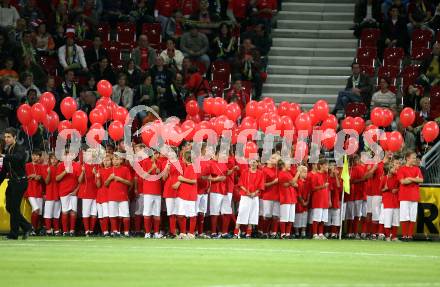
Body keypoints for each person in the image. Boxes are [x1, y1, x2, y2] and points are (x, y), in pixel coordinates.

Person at [0, 127, 32, 240]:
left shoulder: (20, 148)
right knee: (10, 207)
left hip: (21, 182)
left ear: (14, 137)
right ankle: (27, 226)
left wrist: (4, 156)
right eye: (5, 137)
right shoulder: (7, 150)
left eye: (9, 137)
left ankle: (14, 234)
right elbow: (4, 171)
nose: (6, 139)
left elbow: (18, 158)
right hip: (12, 182)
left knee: (14, 207)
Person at [234, 159, 265, 239]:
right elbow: (240, 183)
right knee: (241, 213)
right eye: (251, 162)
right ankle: (236, 233)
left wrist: (254, 193)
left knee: (252, 214)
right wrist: (247, 192)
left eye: (254, 162)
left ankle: (248, 234)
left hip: (254, 197)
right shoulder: (245, 171)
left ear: (257, 163)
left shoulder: (260, 173)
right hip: (245, 196)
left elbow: (261, 186)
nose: (252, 163)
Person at [397, 151, 423, 241]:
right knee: (404, 216)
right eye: (413, 158)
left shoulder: (417, 169)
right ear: (407, 158)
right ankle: (404, 235)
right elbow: (403, 182)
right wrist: (415, 179)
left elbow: (421, 180)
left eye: (415, 158)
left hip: (414, 196)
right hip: (404, 196)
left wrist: (410, 178)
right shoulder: (401, 169)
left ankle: (410, 235)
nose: (415, 159)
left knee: (412, 216)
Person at [106, 152, 133, 237]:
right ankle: (115, 231)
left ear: (121, 160)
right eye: (113, 159)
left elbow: (130, 183)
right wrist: (110, 178)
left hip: (123, 196)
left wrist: (120, 179)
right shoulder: (109, 170)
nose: (115, 161)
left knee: (125, 214)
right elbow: (105, 184)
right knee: (113, 215)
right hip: (112, 196)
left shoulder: (125, 169)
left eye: (117, 159)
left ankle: (126, 232)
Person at [56, 150, 81, 236]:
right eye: (67, 155)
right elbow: (57, 179)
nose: (69, 157)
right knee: (65, 211)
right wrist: (65, 172)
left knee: (73, 211)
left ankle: (72, 231)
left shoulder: (77, 165)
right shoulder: (60, 165)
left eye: (71, 155)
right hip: (63, 191)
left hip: (74, 192)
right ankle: (65, 231)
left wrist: (76, 191)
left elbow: (80, 181)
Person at [175, 150, 198, 239]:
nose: (182, 158)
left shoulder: (192, 167)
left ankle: (191, 234)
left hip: (190, 194)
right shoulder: (187, 167)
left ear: (186, 158)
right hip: (183, 193)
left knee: (191, 214)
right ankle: (183, 233)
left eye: (183, 157)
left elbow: (194, 181)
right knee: (181, 214)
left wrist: (182, 179)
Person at [141, 151, 163, 239]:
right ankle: (147, 233)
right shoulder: (145, 162)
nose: (158, 155)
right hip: (148, 191)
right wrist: (151, 168)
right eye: (156, 153)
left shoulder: (160, 163)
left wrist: (158, 172)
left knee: (157, 213)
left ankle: (156, 232)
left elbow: (161, 177)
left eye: (158, 153)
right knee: (147, 212)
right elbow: (143, 176)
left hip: (157, 190)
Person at [78, 149, 99, 236]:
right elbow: (79, 180)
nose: (88, 156)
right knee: (86, 212)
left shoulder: (97, 166)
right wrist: (83, 172)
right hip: (86, 192)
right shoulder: (83, 166)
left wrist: (95, 173)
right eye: (87, 154)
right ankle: (87, 230)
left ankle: (91, 230)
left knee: (94, 212)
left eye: (90, 154)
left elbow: (98, 179)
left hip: (96, 192)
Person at [208, 149, 228, 238]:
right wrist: (217, 179)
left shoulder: (223, 164)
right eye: (222, 154)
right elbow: (206, 176)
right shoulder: (210, 163)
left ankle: (223, 232)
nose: (223, 156)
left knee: (223, 212)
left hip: (223, 190)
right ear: (216, 154)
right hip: (215, 190)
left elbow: (225, 175)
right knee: (214, 211)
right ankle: (213, 232)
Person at [24, 149, 44, 234]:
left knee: (38, 212)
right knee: (36, 209)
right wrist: (29, 176)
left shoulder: (41, 166)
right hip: (30, 191)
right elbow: (22, 177)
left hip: (39, 191)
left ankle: (34, 230)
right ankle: (32, 228)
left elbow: (43, 180)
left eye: (36, 155)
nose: (34, 157)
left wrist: (39, 177)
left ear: (39, 157)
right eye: (33, 155)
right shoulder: (27, 165)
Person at [310, 159, 330, 240]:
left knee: (323, 218)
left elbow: (328, 189)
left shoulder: (326, 175)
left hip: (325, 199)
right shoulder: (316, 175)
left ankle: (321, 233)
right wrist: (322, 186)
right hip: (318, 200)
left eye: (327, 165)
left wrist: (328, 200)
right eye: (325, 165)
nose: (327, 167)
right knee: (317, 218)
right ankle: (315, 234)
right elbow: (312, 188)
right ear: (321, 165)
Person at [277, 160, 298, 239]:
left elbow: (296, 184)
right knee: (284, 217)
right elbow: (293, 182)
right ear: (283, 165)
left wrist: (290, 183)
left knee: (290, 218)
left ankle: (288, 234)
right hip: (285, 197)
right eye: (287, 163)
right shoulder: (282, 173)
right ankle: (283, 234)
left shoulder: (288, 173)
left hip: (291, 197)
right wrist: (298, 173)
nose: (289, 164)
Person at [380, 162, 401, 241]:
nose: (395, 169)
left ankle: (394, 236)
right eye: (392, 168)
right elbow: (380, 190)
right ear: (389, 169)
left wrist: (397, 189)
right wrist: (384, 189)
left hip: (396, 201)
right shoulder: (384, 178)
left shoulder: (397, 177)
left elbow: (401, 186)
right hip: (387, 201)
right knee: (387, 220)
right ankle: (388, 236)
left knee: (395, 220)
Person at [261, 153, 280, 238]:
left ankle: (274, 233)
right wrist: (273, 182)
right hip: (268, 195)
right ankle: (265, 232)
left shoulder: (279, 170)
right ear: (270, 159)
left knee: (276, 215)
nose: (276, 160)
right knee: (267, 215)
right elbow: (262, 185)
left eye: (277, 159)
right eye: (274, 158)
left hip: (277, 195)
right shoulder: (264, 170)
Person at [42, 153, 61, 236]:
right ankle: (48, 230)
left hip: (58, 193)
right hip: (49, 194)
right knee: (48, 213)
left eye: (55, 158)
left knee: (56, 213)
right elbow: (46, 181)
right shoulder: (45, 168)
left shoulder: (60, 168)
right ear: (50, 159)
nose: (54, 160)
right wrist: (49, 173)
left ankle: (56, 230)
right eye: (52, 158)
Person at [96, 153, 113, 237]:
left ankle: (109, 231)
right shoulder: (99, 170)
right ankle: (104, 231)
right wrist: (98, 177)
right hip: (100, 194)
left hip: (109, 195)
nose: (106, 162)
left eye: (108, 160)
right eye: (104, 160)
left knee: (108, 214)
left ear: (111, 161)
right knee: (101, 214)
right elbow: (98, 185)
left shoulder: (113, 170)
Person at [326, 162, 342, 239]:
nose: (335, 169)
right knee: (328, 217)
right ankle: (327, 232)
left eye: (335, 168)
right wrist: (329, 201)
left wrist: (336, 175)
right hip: (329, 199)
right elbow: (329, 190)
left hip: (336, 199)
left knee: (335, 217)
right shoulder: (328, 178)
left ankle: (334, 233)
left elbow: (339, 186)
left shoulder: (338, 178)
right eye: (333, 168)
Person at [294, 165, 308, 238]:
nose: (306, 174)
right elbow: (298, 193)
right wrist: (302, 201)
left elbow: (309, 192)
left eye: (306, 172)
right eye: (304, 172)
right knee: (298, 217)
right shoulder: (298, 182)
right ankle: (296, 232)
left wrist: (307, 201)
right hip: (299, 202)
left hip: (306, 202)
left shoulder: (307, 182)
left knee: (304, 217)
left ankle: (303, 232)